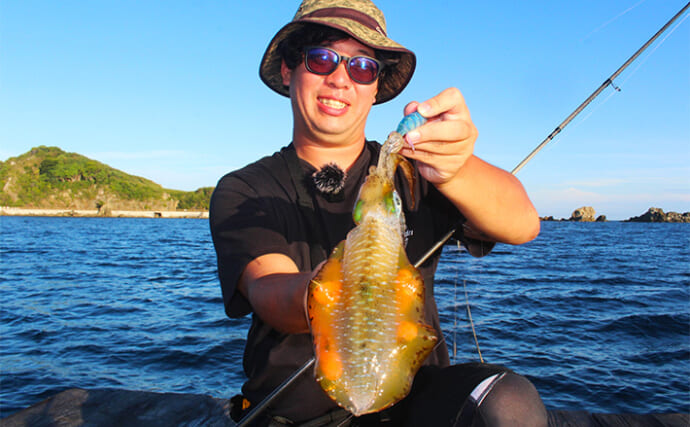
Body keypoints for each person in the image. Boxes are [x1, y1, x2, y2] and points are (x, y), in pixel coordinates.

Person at [210, 0, 546, 425]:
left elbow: (521, 223)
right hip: (293, 412)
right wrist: (341, 285)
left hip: (412, 399)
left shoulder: (413, 174)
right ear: (287, 70)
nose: (339, 79)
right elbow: (268, 291)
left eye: (362, 67)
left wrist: (455, 169)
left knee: (509, 402)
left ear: (376, 86)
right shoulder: (245, 189)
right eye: (321, 59)